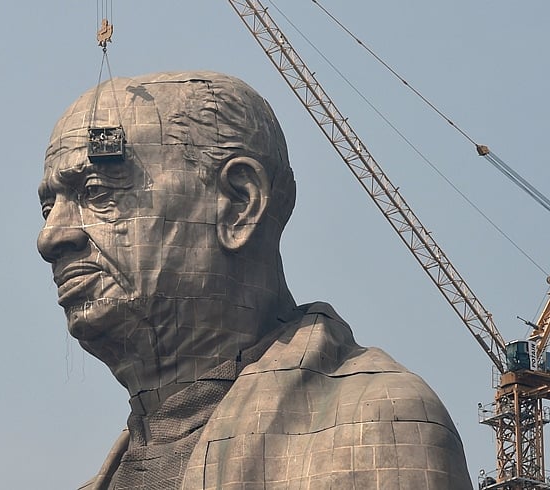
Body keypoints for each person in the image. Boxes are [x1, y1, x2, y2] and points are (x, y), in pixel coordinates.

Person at [38, 71, 472, 489]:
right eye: (47, 208)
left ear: (238, 204)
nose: (51, 237)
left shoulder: (377, 425)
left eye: (97, 192)